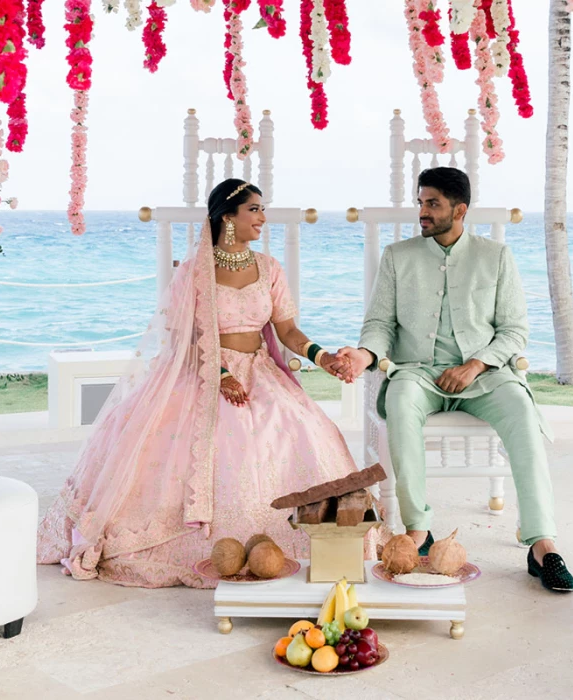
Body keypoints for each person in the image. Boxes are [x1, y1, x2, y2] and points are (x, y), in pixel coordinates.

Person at [38, 178, 380, 588]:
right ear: (227, 216)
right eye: (254, 210)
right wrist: (219, 374)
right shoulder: (194, 273)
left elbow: (288, 331)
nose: (262, 218)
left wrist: (321, 355)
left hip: (259, 371)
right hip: (203, 370)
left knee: (303, 431)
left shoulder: (269, 268)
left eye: (262, 209)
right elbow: (185, 338)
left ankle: (307, 543)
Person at [335, 167, 573, 593]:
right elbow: (378, 324)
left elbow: (514, 330)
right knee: (401, 400)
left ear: (459, 210)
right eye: (421, 202)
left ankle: (542, 544)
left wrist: (477, 364)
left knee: (522, 409)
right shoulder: (398, 256)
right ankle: (419, 530)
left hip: (483, 377)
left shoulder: (496, 257)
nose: (422, 212)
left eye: (433, 204)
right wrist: (366, 353)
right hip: (418, 374)